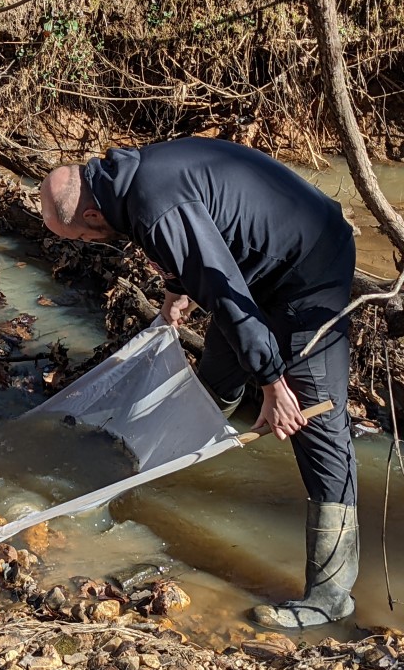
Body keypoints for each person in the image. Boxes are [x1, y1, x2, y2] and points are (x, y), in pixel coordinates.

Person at [39, 136, 358, 629]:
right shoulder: (125, 181)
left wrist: (273, 382)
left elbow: (226, 296)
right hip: (255, 268)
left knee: (316, 420)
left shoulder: (151, 204)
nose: (84, 244)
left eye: (80, 237)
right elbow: (196, 245)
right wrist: (173, 293)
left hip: (309, 268)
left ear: (93, 217)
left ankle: (332, 593)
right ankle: (156, 477)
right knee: (214, 378)